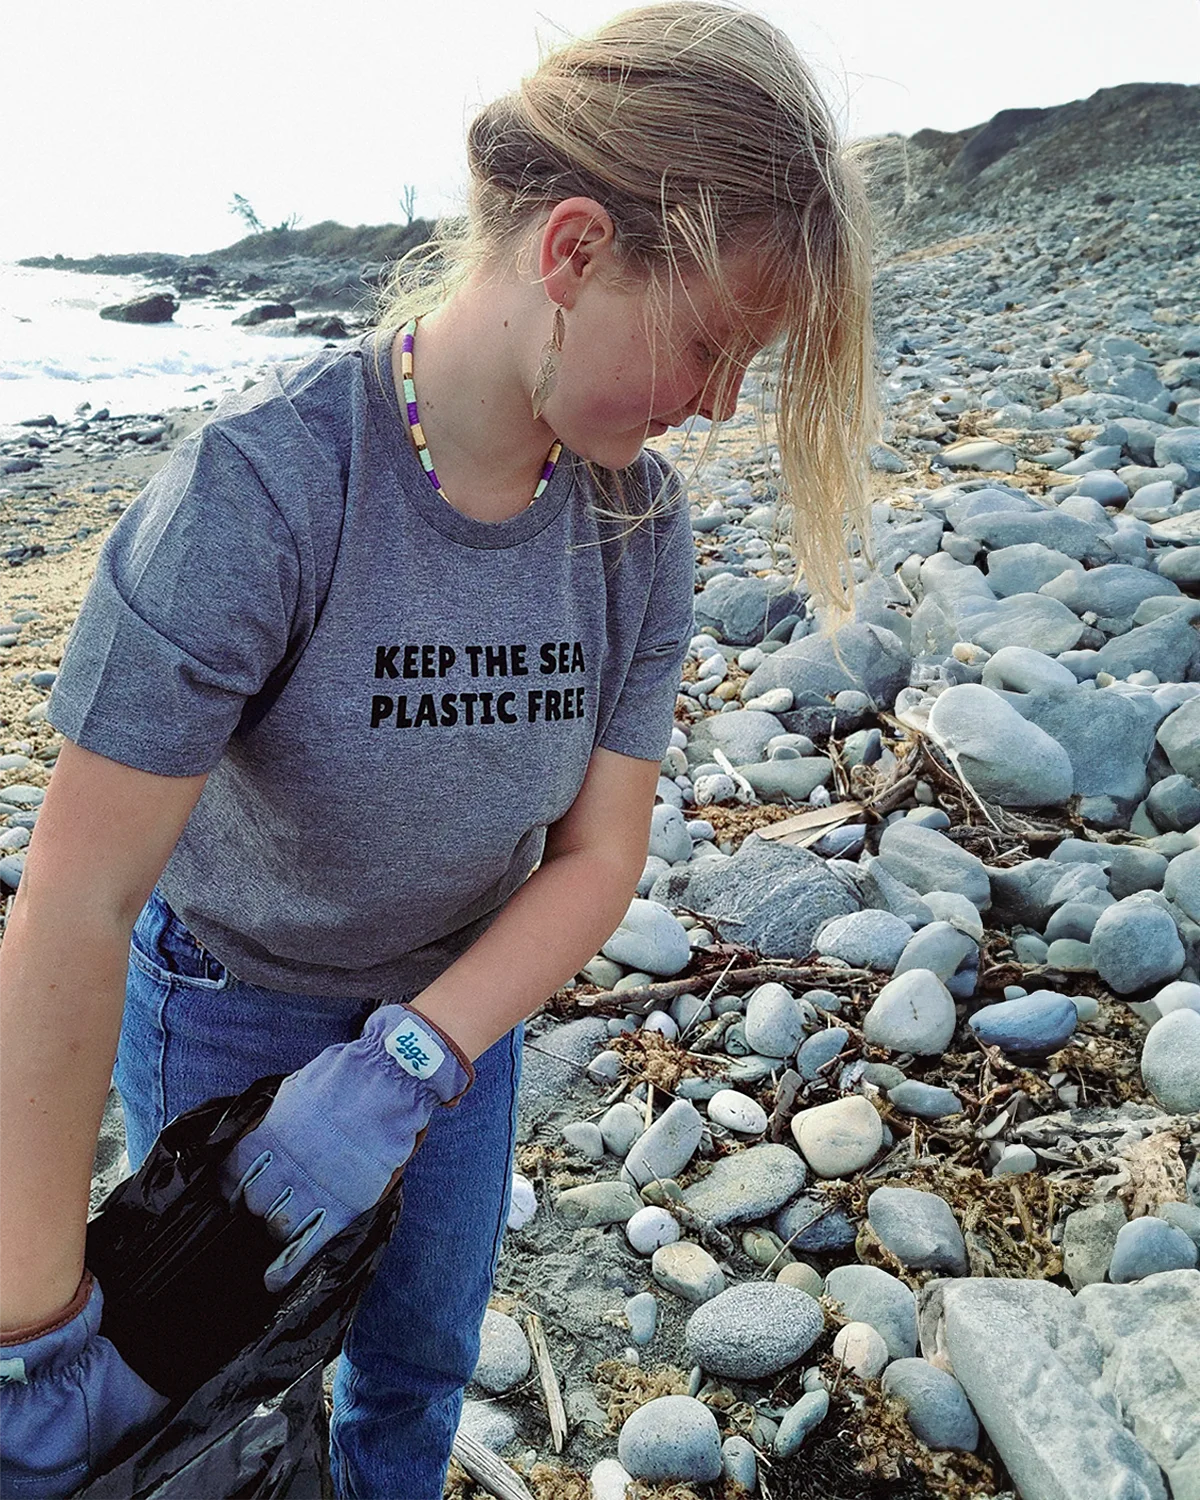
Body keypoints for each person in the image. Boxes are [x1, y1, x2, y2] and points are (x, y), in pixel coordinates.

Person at [0, 2, 879, 1495]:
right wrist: (30, 1328)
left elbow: (602, 856)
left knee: (414, 1369)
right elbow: (70, 910)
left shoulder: (634, 525)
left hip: (456, 1027)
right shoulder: (265, 493)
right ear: (577, 251)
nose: (723, 405)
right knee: (199, 1411)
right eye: (717, 347)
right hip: (230, 1009)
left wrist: (423, 1050)